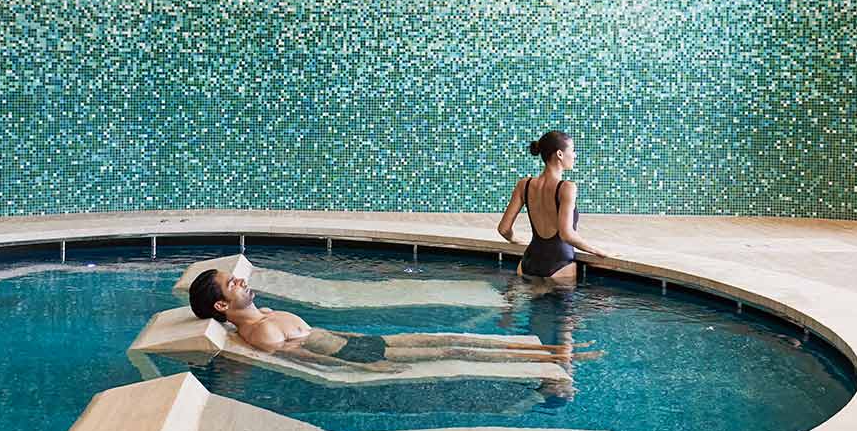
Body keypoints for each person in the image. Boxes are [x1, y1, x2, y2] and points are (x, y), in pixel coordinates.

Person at [186, 269, 597, 369]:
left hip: (360, 339)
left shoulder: (270, 314)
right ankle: (546, 356)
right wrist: (373, 366)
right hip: (362, 354)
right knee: (451, 347)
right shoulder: (260, 332)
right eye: (231, 283)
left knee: (449, 338)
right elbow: (306, 357)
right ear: (222, 306)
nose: (240, 280)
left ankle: (545, 350)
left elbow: (314, 336)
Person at [497, 130, 606, 283]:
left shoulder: (524, 185)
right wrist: (597, 251)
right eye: (572, 151)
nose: (575, 155)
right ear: (560, 154)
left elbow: (503, 229)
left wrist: (515, 240)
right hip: (558, 264)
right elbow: (566, 234)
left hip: (528, 261)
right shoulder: (567, 187)